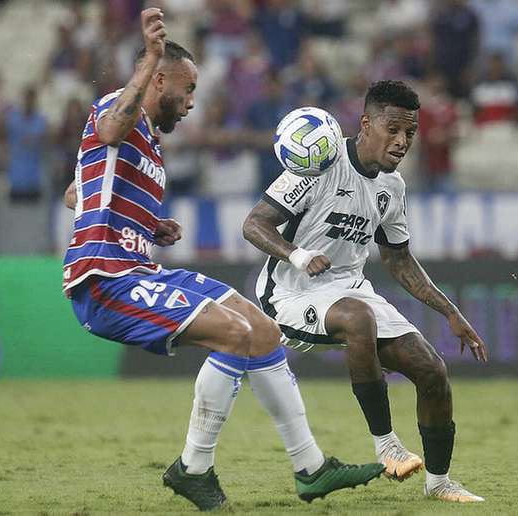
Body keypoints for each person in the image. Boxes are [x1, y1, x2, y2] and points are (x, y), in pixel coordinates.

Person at [61, 8, 383, 512]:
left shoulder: (147, 145)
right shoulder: (117, 112)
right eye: (187, 91)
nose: (191, 104)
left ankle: (311, 467)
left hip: (139, 268)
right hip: (104, 280)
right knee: (233, 335)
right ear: (158, 79)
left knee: (261, 328)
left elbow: (73, 192)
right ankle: (193, 468)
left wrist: (146, 224)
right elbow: (106, 131)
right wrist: (146, 59)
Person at [243, 80, 489, 503]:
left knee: (432, 371)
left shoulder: (392, 187)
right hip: (291, 293)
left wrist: (451, 312)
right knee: (359, 317)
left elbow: (398, 260)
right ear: (366, 123)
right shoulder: (322, 158)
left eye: (410, 133)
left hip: (351, 291)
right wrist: (298, 255)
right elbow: (254, 225)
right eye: (393, 129)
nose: (402, 141)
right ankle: (387, 445)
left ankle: (439, 483)